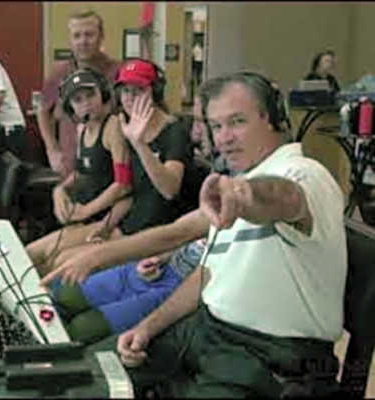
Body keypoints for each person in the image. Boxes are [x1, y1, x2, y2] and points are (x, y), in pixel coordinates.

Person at [60, 71, 346, 397]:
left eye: (237, 121)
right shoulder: (237, 183)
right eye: (216, 126)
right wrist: (147, 327)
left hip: (273, 357)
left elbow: (285, 199)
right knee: (81, 379)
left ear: (274, 119)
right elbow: (207, 273)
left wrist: (245, 193)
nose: (224, 138)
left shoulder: (305, 175)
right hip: (206, 330)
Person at [51, 95, 212, 345]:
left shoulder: (250, 187)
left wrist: (100, 254)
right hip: (158, 264)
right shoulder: (220, 177)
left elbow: (167, 197)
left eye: (204, 122)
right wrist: (163, 257)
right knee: (60, 295)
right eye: (206, 122)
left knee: (81, 328)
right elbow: (182, 233)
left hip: (176, 286)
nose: (197, 130)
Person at [36, 59, 197, 284]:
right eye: (126, 91)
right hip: (126, 224)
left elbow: (169, 189)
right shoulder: (127, 127)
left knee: (61, 268)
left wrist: (140, 144)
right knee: (54, 259)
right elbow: (130, 193)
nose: (131, 97)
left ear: (156, 92)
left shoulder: (173, 132)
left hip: (156, 233)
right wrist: (106, 227)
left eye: (139, 90)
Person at [26, 67, 131, 273]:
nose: (86, 103)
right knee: (30, 254)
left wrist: (85, 210)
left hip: (108, 217)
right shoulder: (82, 129)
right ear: (70, 108)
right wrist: (60, 190)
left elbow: (123, 184)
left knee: (48, 261)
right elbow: (81, 173)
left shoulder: (113, 127)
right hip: (87, 214)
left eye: (91, 95)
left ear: (103, 94)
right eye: (78, 100)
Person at [38, 10, 119, 177]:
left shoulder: (118, 72)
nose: (83, 41)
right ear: (70, 40)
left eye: (89, 35)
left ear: (101, 37)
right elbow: (42, 111)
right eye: (77, 36)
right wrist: (52, 150)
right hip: (70, 164)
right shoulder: (58, 73)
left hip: (110, 165)